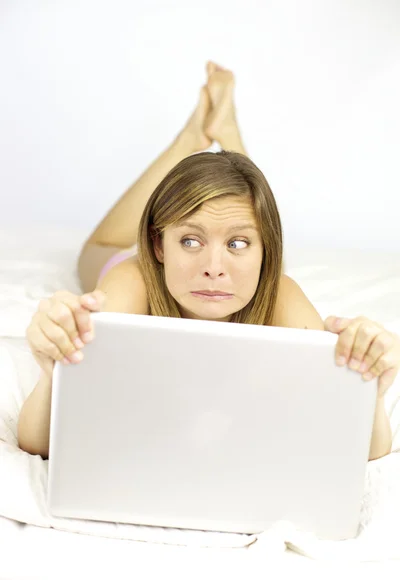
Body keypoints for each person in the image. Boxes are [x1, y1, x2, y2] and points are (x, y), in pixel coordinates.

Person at [18, 62, 398, 462]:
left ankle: (225, 144)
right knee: (97, 247)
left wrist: (372, 388)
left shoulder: (281, 294)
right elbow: (38, 442)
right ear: (159, 246)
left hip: (229, 257)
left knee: (243, 204)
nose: (214, 267)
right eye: (189, 240)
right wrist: (50, 371)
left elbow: (366, 450)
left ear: (265, 253)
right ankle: (189, 139)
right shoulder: (130, 284)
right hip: (130, 265)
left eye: (238, 244)